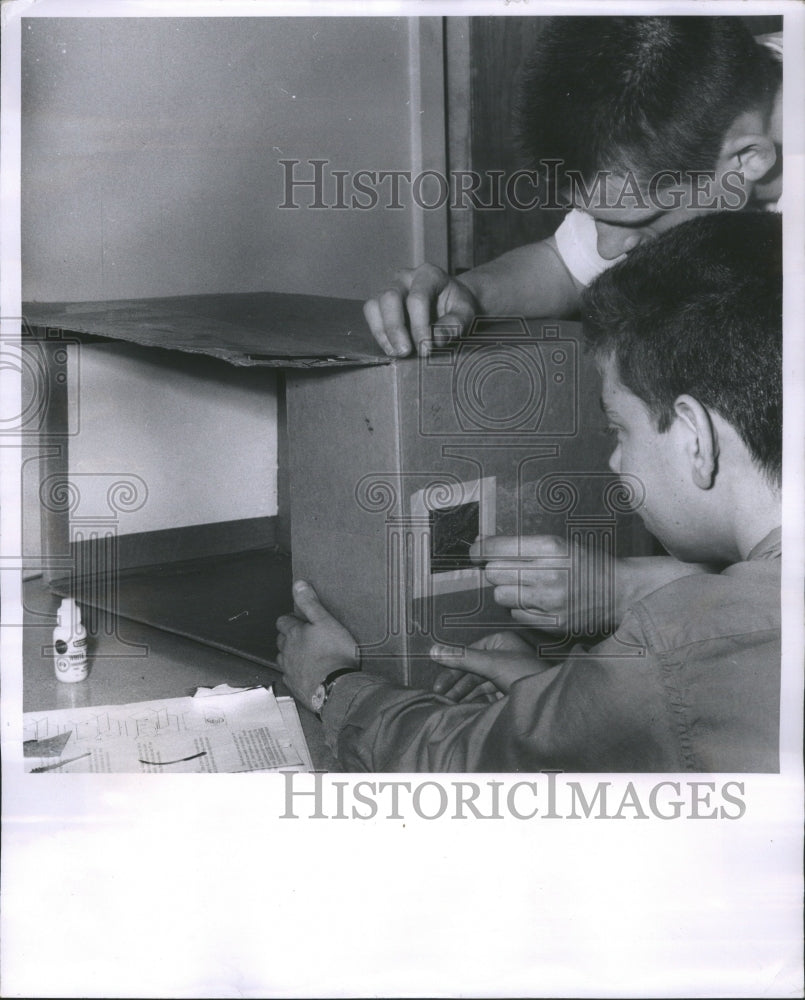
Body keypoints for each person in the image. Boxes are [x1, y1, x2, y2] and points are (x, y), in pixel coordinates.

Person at [276, 211, 782, 772]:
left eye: (619, 428)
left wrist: (330, 682)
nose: (616, 460)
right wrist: (563, 698)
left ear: (695, 438)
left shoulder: (677, 646)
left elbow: (448, 767)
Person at [362, 15, 782, 645]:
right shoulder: (696, 119)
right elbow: (565, 262)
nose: (609, 248)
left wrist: (630, 591)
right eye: (595, 216)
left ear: (747, 159)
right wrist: (468, 291)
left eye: (637, 218)